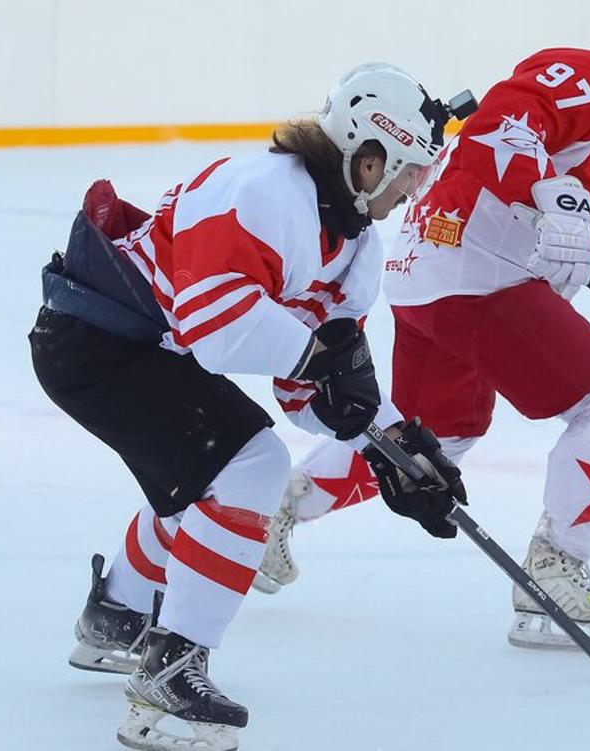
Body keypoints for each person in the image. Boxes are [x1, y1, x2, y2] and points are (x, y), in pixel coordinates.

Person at [259, 0, 590, 650]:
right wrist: (555, 198)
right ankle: (555, 567)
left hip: (431, 271)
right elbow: (504, 121)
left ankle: (282, 504)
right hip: (479, 269)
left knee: (436, 437)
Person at [30, 63, 467, 751]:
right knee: (249, 466)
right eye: (412, 171)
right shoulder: (263, 192)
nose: (418, 189)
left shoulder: (356, 249)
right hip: (94, 340)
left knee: (210, 479)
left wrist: (392, 444)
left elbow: (311, 391)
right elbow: (215, 324)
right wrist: (324, 360)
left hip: (142, 351)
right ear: (369, 156)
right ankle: (168, 683)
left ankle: (114, 615)